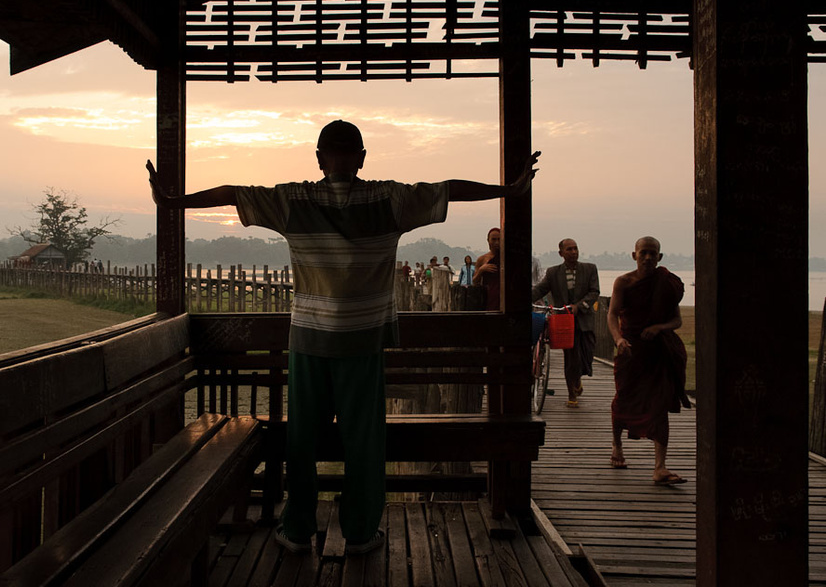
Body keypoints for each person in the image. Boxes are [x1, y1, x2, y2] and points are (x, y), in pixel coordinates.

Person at [148, 120, 541, 554]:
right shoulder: (389, 200)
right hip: (362, 342)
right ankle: (358, 532)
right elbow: (449, 188)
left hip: (309, 341)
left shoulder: (292, 200)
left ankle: (297, 530)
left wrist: (173, 201)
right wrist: (508, 191)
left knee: (302, 439)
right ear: (362, 158)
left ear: (318, 160)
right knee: (364, 441)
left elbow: (230, 193)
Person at [607, 236, 691, 485]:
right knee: (624, 398)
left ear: (660, 257)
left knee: (659, 405)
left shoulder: (666, 283)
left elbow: (677, 321)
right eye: (643, 253)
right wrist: (618, 339)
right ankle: (617, 446)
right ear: (634, 255)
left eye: (652, 254)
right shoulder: (623, 282)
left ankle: (660, 467)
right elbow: (612, 315)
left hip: (658, 352)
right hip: (630, 350)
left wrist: (658, 327)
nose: (647, 258)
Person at [531, 238, 600, 408]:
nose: (573, 252)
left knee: (586, 356)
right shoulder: (554, 272)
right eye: (569, 249)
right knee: (571, 357)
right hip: (563, 321)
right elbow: (540, 289)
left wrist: (580, 306)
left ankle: (577, 380)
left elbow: (594, 292)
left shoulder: (589, 269)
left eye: (575, 248)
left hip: (584, 319)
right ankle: (571, 393)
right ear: (561, 253)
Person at [473, 227, 501, 310]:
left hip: (503, 296)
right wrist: (481, 270)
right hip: (488, 295)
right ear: (488, 240)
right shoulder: (482, 259)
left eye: (499, 239)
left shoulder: (506, 258)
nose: (496, 242)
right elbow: (474, 281)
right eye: (493, 239)